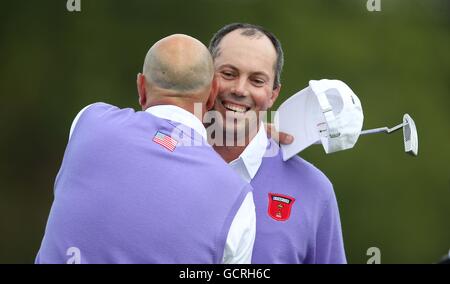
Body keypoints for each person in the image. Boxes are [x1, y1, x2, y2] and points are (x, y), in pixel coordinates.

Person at [35, 34, 256, 264]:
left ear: (141, 87)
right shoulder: (236, 197)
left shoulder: (88, 121)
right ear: (212, 94)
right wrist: (253, 133)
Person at [207, 23, 347, 263]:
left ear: (273, 94)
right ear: (205, 77)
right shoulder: (159, 153)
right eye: (228, 74)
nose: (240, 89)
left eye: (257, 81)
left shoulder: (315, 191)